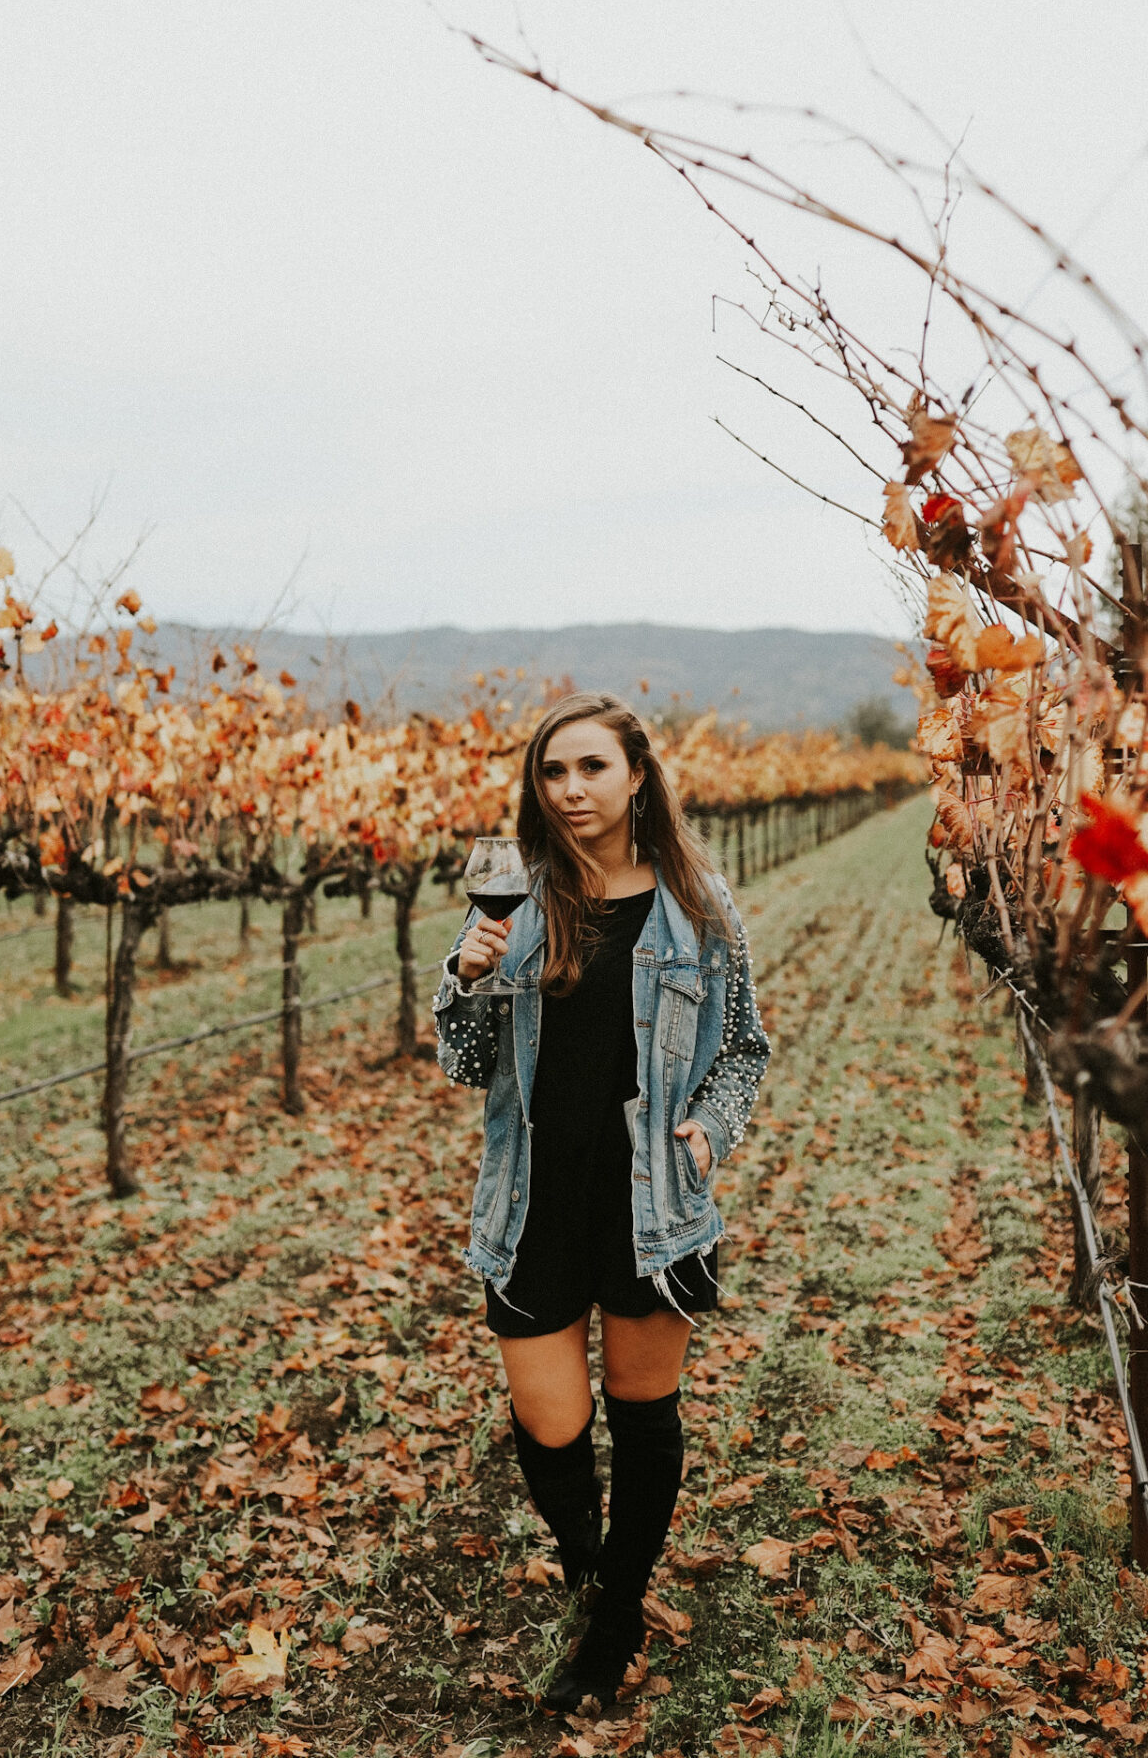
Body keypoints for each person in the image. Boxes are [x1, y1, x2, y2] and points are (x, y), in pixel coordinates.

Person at [431, 691, 769, 1713]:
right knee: (548, 1426)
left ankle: (613, 1617)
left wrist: (713, 1123)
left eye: (589, 768)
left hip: (649, 1199)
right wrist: (466, 976)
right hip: (533, 1200)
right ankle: (587, 1561)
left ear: (634, 777)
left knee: (643, 1417)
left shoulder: (697, 905)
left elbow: (743, 1048)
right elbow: (461, 1062)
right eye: (551, 772)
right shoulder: (509, 901)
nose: (569, 790)